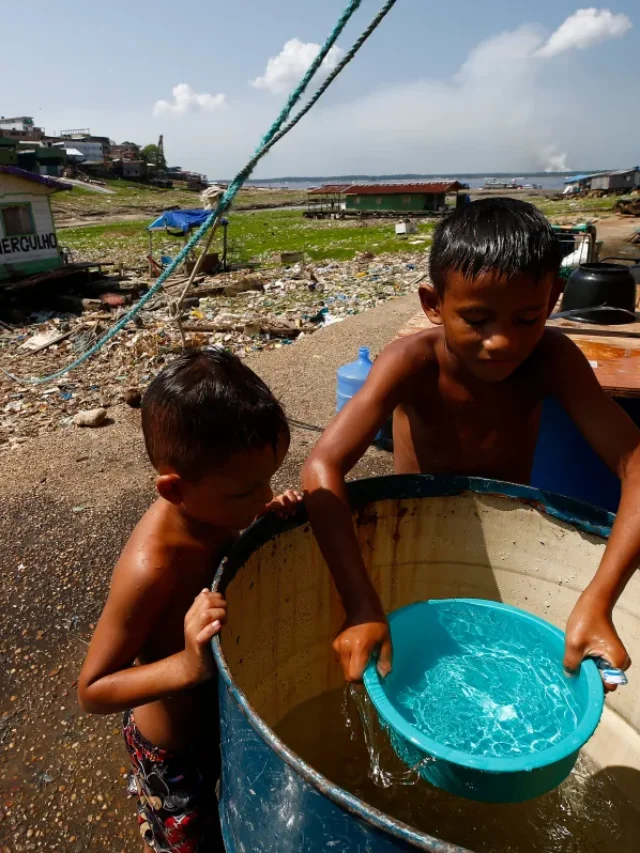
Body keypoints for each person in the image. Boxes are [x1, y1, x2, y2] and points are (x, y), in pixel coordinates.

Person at [302, 197, 640, 687]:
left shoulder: (552, 358)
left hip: (509, 539)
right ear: (433, 304)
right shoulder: (410, 362)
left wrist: (599, 599)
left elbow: (634, 463)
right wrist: (359, 603)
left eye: (526, 319)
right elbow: (321, 466)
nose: (501, 341)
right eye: (478, 320)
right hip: (415, 535)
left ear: (553, 299)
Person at [78, 349, 300, 853]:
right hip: (172, 753)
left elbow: (245, 505)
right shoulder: (152, 568)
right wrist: (187, 663)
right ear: (174, 489)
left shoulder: (218, 509)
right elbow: (92, 690)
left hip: (223, 721)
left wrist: (268, 512)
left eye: (271, 477)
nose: (264, 495)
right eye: (248, 492)